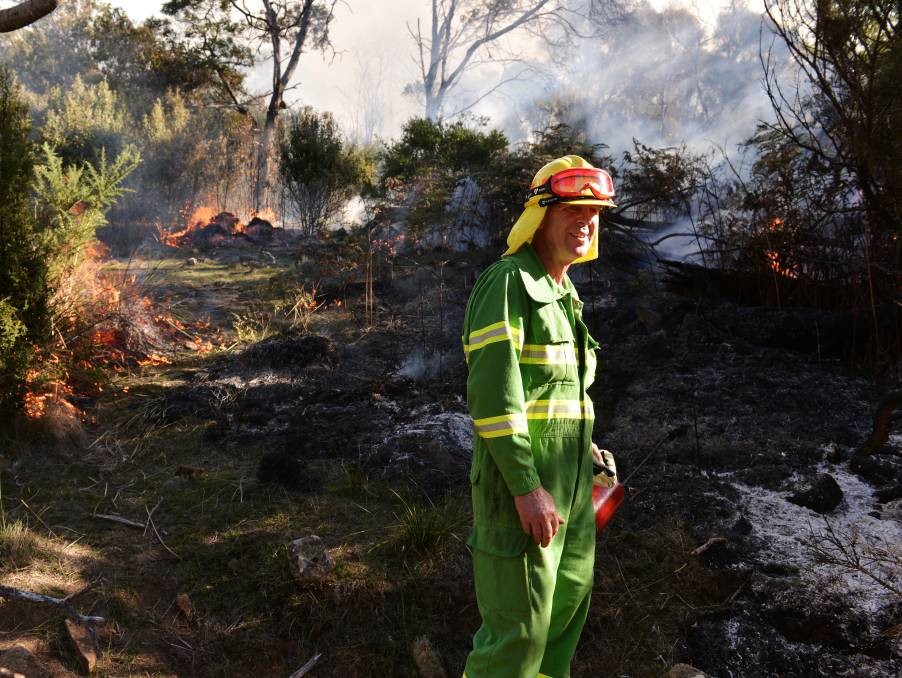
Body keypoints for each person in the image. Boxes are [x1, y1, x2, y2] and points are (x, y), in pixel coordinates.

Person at [461, 155, 617, 677]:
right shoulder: (508, 284)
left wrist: (586, 450)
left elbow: (560, 396)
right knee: (518, 639)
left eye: (594, 212)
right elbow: (494, 399)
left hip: (570, 491)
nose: (587, 221)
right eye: (573, 208)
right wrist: (527, 487)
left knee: (560, 629)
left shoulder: (564, 293)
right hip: (522, 494)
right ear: (540, 214)